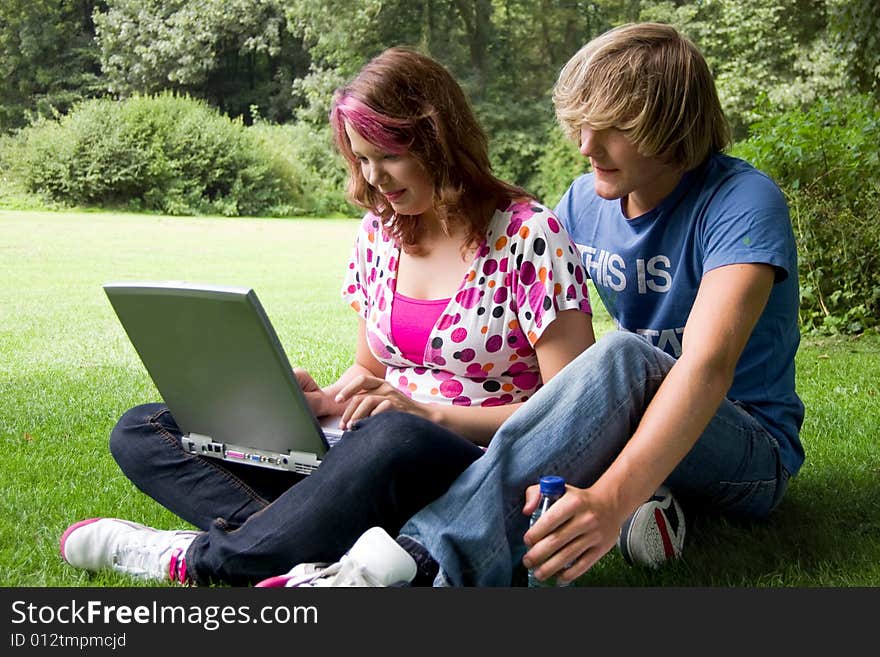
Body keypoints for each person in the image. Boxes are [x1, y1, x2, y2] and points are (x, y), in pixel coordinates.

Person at [264, 22, 805, 587]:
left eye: (613, 129)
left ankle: (424, 564)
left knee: (626, 356)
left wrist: (609, 502)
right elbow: (521, 276)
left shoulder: (742, 203)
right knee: (615, 370)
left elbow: (706, 368)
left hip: (748, 447)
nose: (586, 146)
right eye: (582, 126)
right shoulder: (586, 200)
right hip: (641, 419)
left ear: (671, 126)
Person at [59, 47, 595, 586]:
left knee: (395, 437)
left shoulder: (529, 235)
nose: (374, 177)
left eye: (388, 155)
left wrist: (429, 415)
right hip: (368, 452)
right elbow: (371, 371)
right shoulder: (380, 234)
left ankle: (200, 558)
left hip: (466, 462)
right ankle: (314, 548)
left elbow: (567, 415)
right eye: (361, 159)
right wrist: (316, 403)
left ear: (438, 139)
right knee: (144, 429)